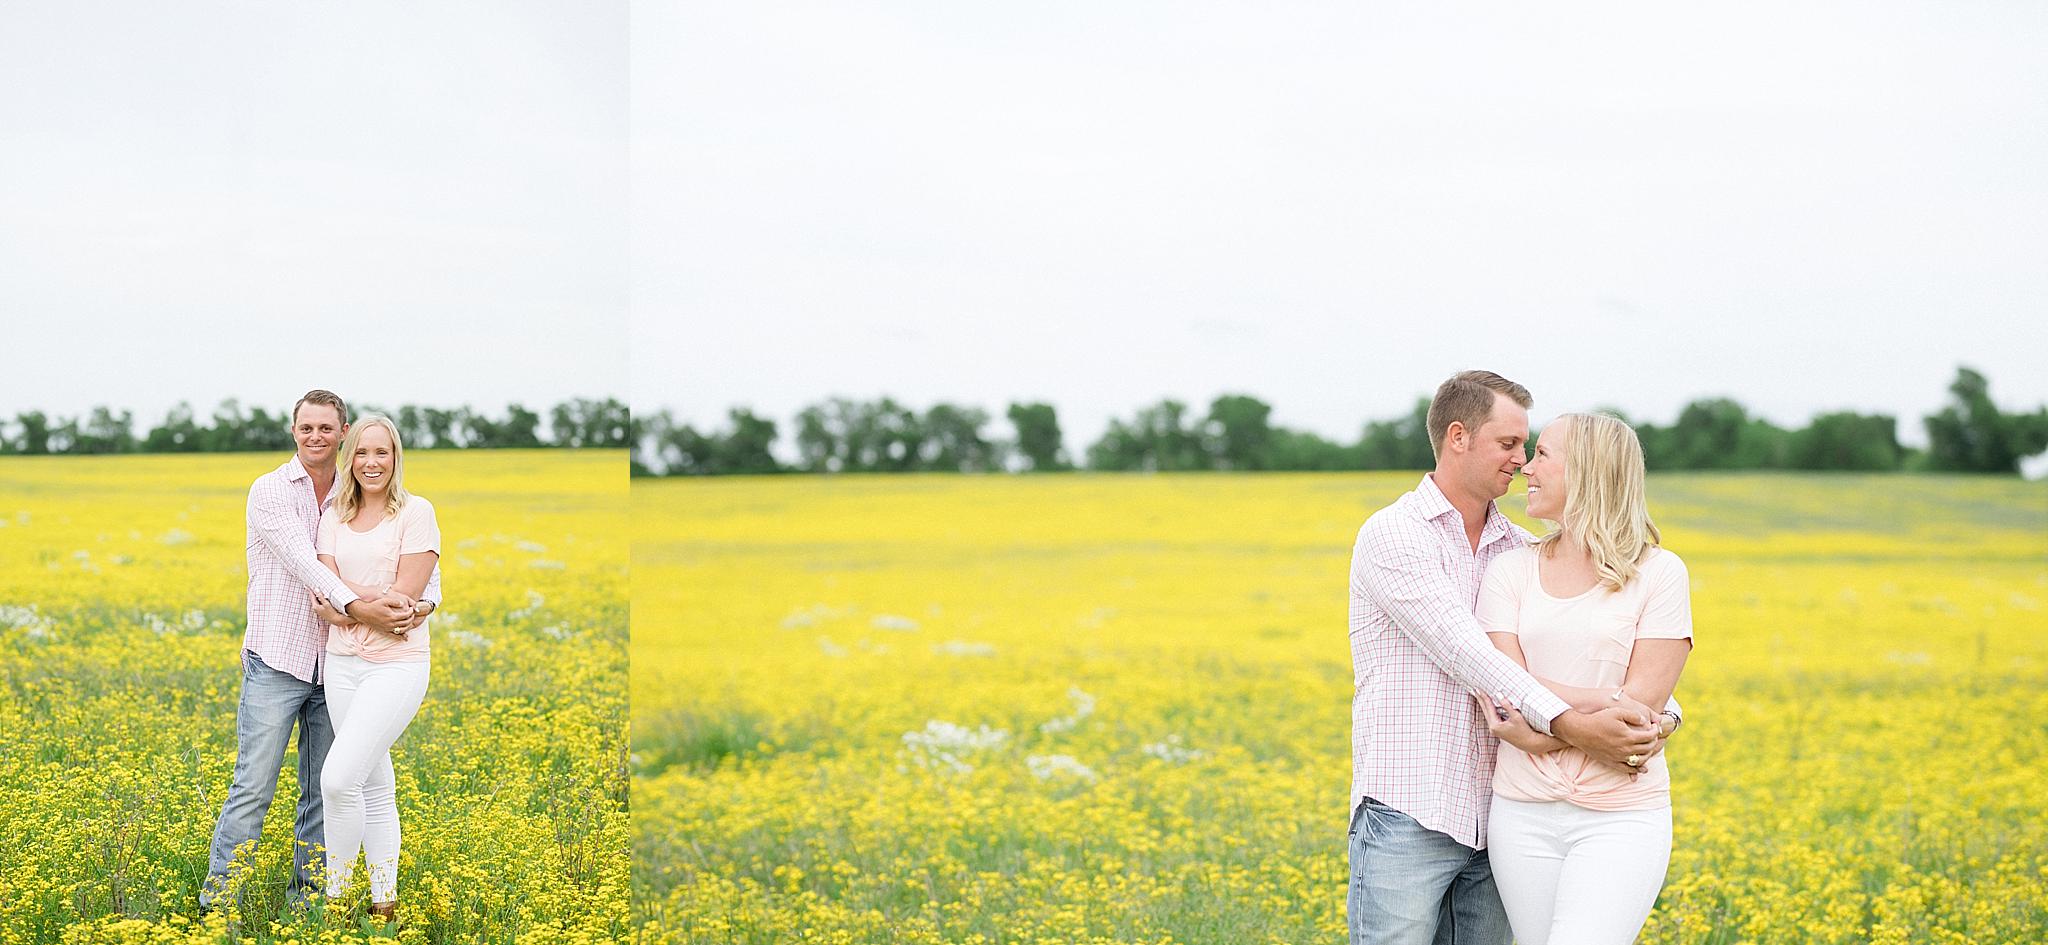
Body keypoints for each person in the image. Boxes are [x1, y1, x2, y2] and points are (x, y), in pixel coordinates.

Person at [1347, 370, 1676, 945]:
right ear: (1458, 437)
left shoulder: (1519, 551)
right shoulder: (1395, 535)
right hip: (1413, 809)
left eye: (1529, 447)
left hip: (1503, 810)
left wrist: (1665, 713)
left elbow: (1600, 660)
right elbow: (1473, 658)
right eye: (1509, 444)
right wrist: (1585, 722)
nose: (1522, 461)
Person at [202, 390, 438, 912]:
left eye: (326, 429)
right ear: (294, 431)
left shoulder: (354, 495)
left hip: (338, 663)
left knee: (324, 792)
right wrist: (365, 609)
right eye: (306, 427)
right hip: (278, 660)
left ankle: (310, 905)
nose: (316, 437)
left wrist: (425, 601)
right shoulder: (270, 490)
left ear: (343, 433)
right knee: (253, 790)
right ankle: (217, 906)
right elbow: (307, 564)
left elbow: (420, 567)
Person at [1474, 412, 1691, 944]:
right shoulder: (1509, 569)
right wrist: (1596, 704)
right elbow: (1501, 684)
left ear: (1590, 471)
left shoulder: (1660, 574)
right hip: (1521, 812)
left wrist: (1535, 726)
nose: (1525, 465)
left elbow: (1636, 717)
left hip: (1621, 815)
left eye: (1543, 453)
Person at [309, 414, 439, 925]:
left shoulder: (417, 512)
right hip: (341, 662)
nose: (370, 463)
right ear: (350, 459)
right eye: (361, 453)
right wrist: (358, 601)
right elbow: (322, 583)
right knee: (373, 786)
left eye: (381, 453)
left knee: (339, 780)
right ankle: (384, 904)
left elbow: (404, 601)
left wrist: (345, 602)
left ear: (395, 457)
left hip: (398, 666)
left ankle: (335, 904)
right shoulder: (333, 516)